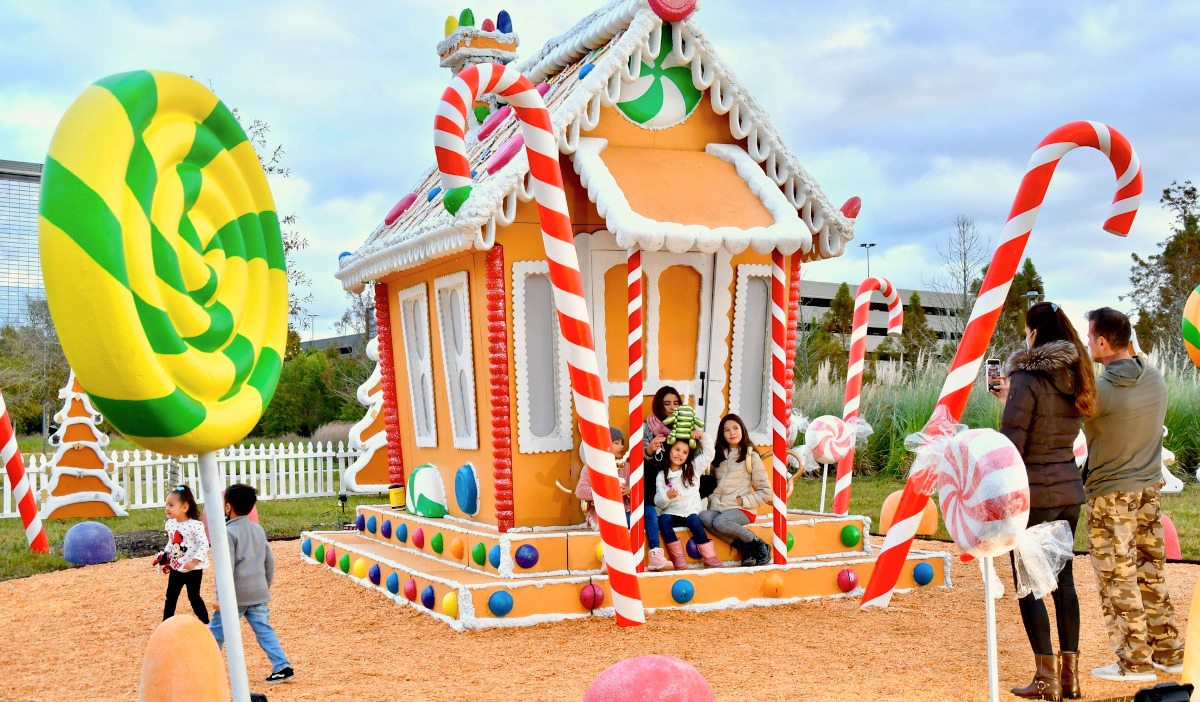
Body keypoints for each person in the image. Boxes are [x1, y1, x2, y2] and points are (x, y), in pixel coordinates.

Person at [991, 302, 1096, 701]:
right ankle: (1070, 677)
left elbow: (1012, 441)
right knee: (1063, 582)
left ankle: (1044, 678)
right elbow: (1052, 425)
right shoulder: (1076, 374)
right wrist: (1011, 398)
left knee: (1030, 584)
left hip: (1033, 494)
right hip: (1069, 491)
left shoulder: (1027, 376)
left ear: (1034, 333)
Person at [1082, 307, 1183, 683]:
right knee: (1150, 573)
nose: (1089, 342)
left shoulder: (1101, 391)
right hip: (1148, 492)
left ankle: (1135, 663)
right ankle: (1168, 654)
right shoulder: (1155, 378)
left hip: (1110, 496)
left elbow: (1058, 419)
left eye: (1090, 337)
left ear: (1104, 342)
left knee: (1117, 578)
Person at [208, 484, 295, 685]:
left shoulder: (227, 533)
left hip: (234, 596)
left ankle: (206, 668)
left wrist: (220, 597)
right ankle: (282, 666)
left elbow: (225, 567)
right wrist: (265, 585)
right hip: (258, 593)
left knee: (217, 632)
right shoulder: (258, 529)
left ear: (228, 507)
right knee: (264, 631)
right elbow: (269, 561)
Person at [698, 414, 772, 567]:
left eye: (735, 428)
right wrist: (713, 500)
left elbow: (765, 491)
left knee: (720, 522)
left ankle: (758, 543)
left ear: (742, 430)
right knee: (704, 517)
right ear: (722, 434)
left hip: (743, 508)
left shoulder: (750, 456)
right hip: (720, 507)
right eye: (727, 430)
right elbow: (713, 484)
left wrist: (743, 501)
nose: (732, 433)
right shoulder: (717, 457)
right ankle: (746, 549)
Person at [654, 431, 719, 568]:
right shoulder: (662, 475)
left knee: (695, 521)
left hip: (691, 512)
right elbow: (658, 501)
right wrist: (667, 495)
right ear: (670, 450)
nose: (679, 454)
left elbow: (709, 454)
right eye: (677, 449)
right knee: (663, 520)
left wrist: (703, 436)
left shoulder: (693, 469)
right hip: (673, 513)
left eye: (684, 452)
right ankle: (678, 558)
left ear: (688, 455)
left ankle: (710, 557)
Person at [642, 386, 683, 571]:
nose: (672, 407)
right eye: (667, 403)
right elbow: (637, 459)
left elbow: (693, 452)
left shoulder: (684, 425)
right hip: (653, 473)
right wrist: (649, 450)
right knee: (648, 493)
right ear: (659, 405)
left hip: (676, 473)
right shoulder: (648, 426)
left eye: (676, 403)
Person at [159, 485, 210, 623]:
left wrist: (194, 562)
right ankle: (166, 624)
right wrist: (165, 554)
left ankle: (206, 623)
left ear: (184, 507)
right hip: (176, 567)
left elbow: (204, 544)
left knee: (193, 597)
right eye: (166, 505)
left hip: (193, 569)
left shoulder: (195, 525)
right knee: (171, 596)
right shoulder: (170, 524)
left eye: (171, 505)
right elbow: (172, 541)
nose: (167, 508)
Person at [575, 426, 630, 530]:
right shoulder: (593, 466)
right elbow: (580, 491)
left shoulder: (626, 466)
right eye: (616, 443)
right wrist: (604, 492)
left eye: (622, 443)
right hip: (601, 515)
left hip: (623, 512)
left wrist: (628, 491)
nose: (621, 447)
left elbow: (635, 493)